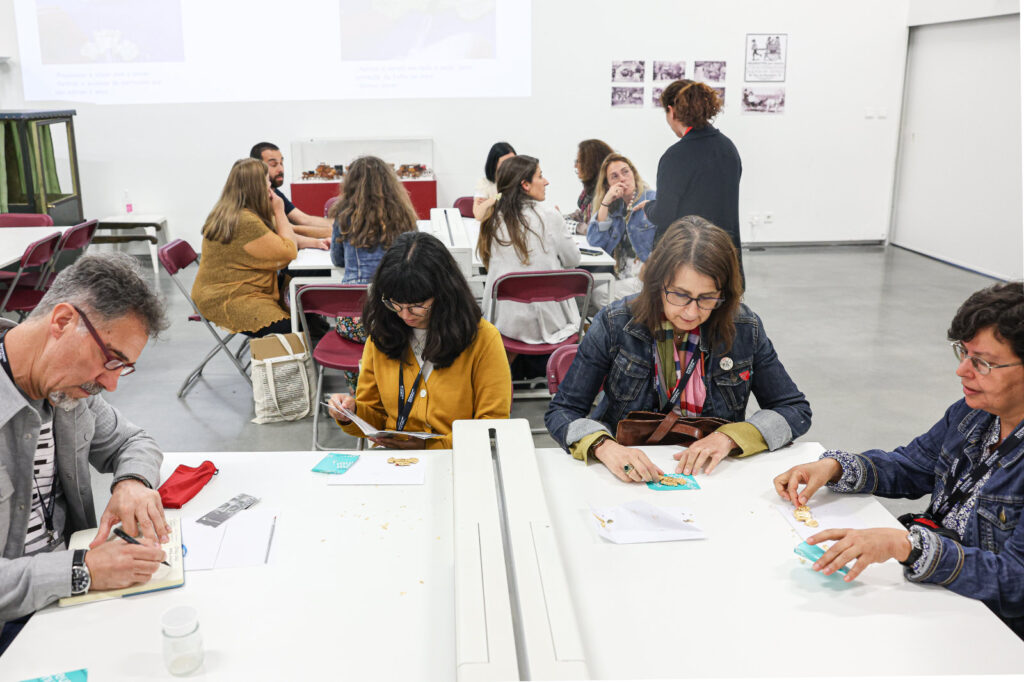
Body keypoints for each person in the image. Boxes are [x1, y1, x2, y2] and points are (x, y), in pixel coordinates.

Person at [773, 281, 1024, 637]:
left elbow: (1015, 581)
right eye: (963, 353)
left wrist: (905, 546)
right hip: (943, 594)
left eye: (983, 363)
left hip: (993, 631)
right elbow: (913, 465)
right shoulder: (975, 414)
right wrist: (836, 467)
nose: (962, 371)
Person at [545, 216, 810, 483]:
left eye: (707, 298)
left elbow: (794, 409)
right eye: (680, 295)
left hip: (711, 476)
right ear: (657, 283)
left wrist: (731, 437)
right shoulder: (615, 323)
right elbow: (563, 410)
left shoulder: (743, 327)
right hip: (629, 477)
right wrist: (604, 447)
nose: (692, 312)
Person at [0, 253, 170, 653]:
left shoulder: (67, 390)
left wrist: (132, 482)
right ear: (62, 322)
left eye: (122, 367)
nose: (110, 384)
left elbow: (134, 441)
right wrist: (81, 570)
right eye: (110, 360)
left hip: (63, 605)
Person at [326, 232, 512, 450]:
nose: (405, 315)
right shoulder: (383, 334)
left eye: (416, 305)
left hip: (458, 458)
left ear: (444, 294)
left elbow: (492, 426)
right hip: (395, 460)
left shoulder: (483, 339)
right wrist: (352, 412)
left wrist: (431, 447)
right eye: (395, 303)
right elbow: (375, 416)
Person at [192, 158, 327, 338]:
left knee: (304, 285)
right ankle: (308, 333)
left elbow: (285, 234)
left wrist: (318, 242)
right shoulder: (245, 221)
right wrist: (279, 210)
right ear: (257, 186)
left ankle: (312, 328)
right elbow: (289, 250)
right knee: (289, 328)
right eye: (267, 181)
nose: (270, 186)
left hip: (237, 290)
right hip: (229, 297)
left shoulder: (237, 211)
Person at [327, 155, 419, 389]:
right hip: (397, 316)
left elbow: (337, 259)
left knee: (359, 339)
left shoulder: (344, 216)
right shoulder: (404, 215)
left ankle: (358, 394)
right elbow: (415, 257)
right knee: (398, 337)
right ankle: (395, 390)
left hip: (355, 319)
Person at [478, 155, 582, 348]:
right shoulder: (551, 216)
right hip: (551, 325)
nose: (546, 181)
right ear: (525, 185)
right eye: (540, 176)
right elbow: (573, 260)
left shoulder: (492, 220)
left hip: (504, 325)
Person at [643, 80, 743, 276]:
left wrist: (648, 207)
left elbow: (663, 214)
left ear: (671, 111)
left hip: (689, 259)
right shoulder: (728, 148)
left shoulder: (676, 156)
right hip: (724, 257)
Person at [586, 152, 658, 302]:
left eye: (625, 172)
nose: (622, 179)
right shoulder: (615, 209)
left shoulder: (652, 199)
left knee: (599, 295)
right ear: (608, 185)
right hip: (622, 275)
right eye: (614, 176)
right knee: (585, 288)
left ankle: (630, 318)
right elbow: (595, 242)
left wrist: (651, 265)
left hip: (646, 277)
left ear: (633, 174)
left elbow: (671, 238)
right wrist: (605, 203)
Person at [250, 142, 332, 239]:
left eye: (281, 163)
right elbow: (289, 230)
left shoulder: (275, 192)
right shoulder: (254, 198)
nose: (281, 169)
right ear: (257, 168)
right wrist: (338, 232)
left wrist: (340, 223)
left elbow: (303, 219)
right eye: (273, 164)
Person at [567, 139, 614, 233]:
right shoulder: (590, 193)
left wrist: (580, 227)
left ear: (589, 165)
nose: (575, 166)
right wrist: (558, 219)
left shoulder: (609, 195)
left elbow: (594, 231)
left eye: (578, 161)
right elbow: (581, 216)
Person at [472, 141, 516, 221]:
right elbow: (478, 215)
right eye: (505, 162)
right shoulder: (483, 183)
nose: (510, 165)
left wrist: (489, 202)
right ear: (494, 164)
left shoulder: (520, 181)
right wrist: (495, 198)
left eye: (513, 161)